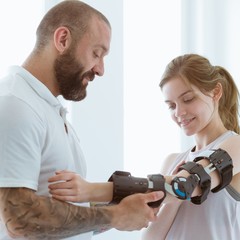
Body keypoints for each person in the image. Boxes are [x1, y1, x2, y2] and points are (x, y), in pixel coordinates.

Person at [46, 53, 240, 240]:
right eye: (171, 106)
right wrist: (173, 202)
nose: (179, 113)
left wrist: (92, 190)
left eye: (188, 99)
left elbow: (186, 185)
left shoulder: (239, 147)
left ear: (216, 92)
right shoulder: (172, 161)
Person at [0, 1, 164, 239]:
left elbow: (61, 215)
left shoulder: (49, 110)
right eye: (96, 53)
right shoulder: (16, 104)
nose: (100, 70)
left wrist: (126, 211)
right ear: (63, 39)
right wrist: (116, 215)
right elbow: (20, 218)